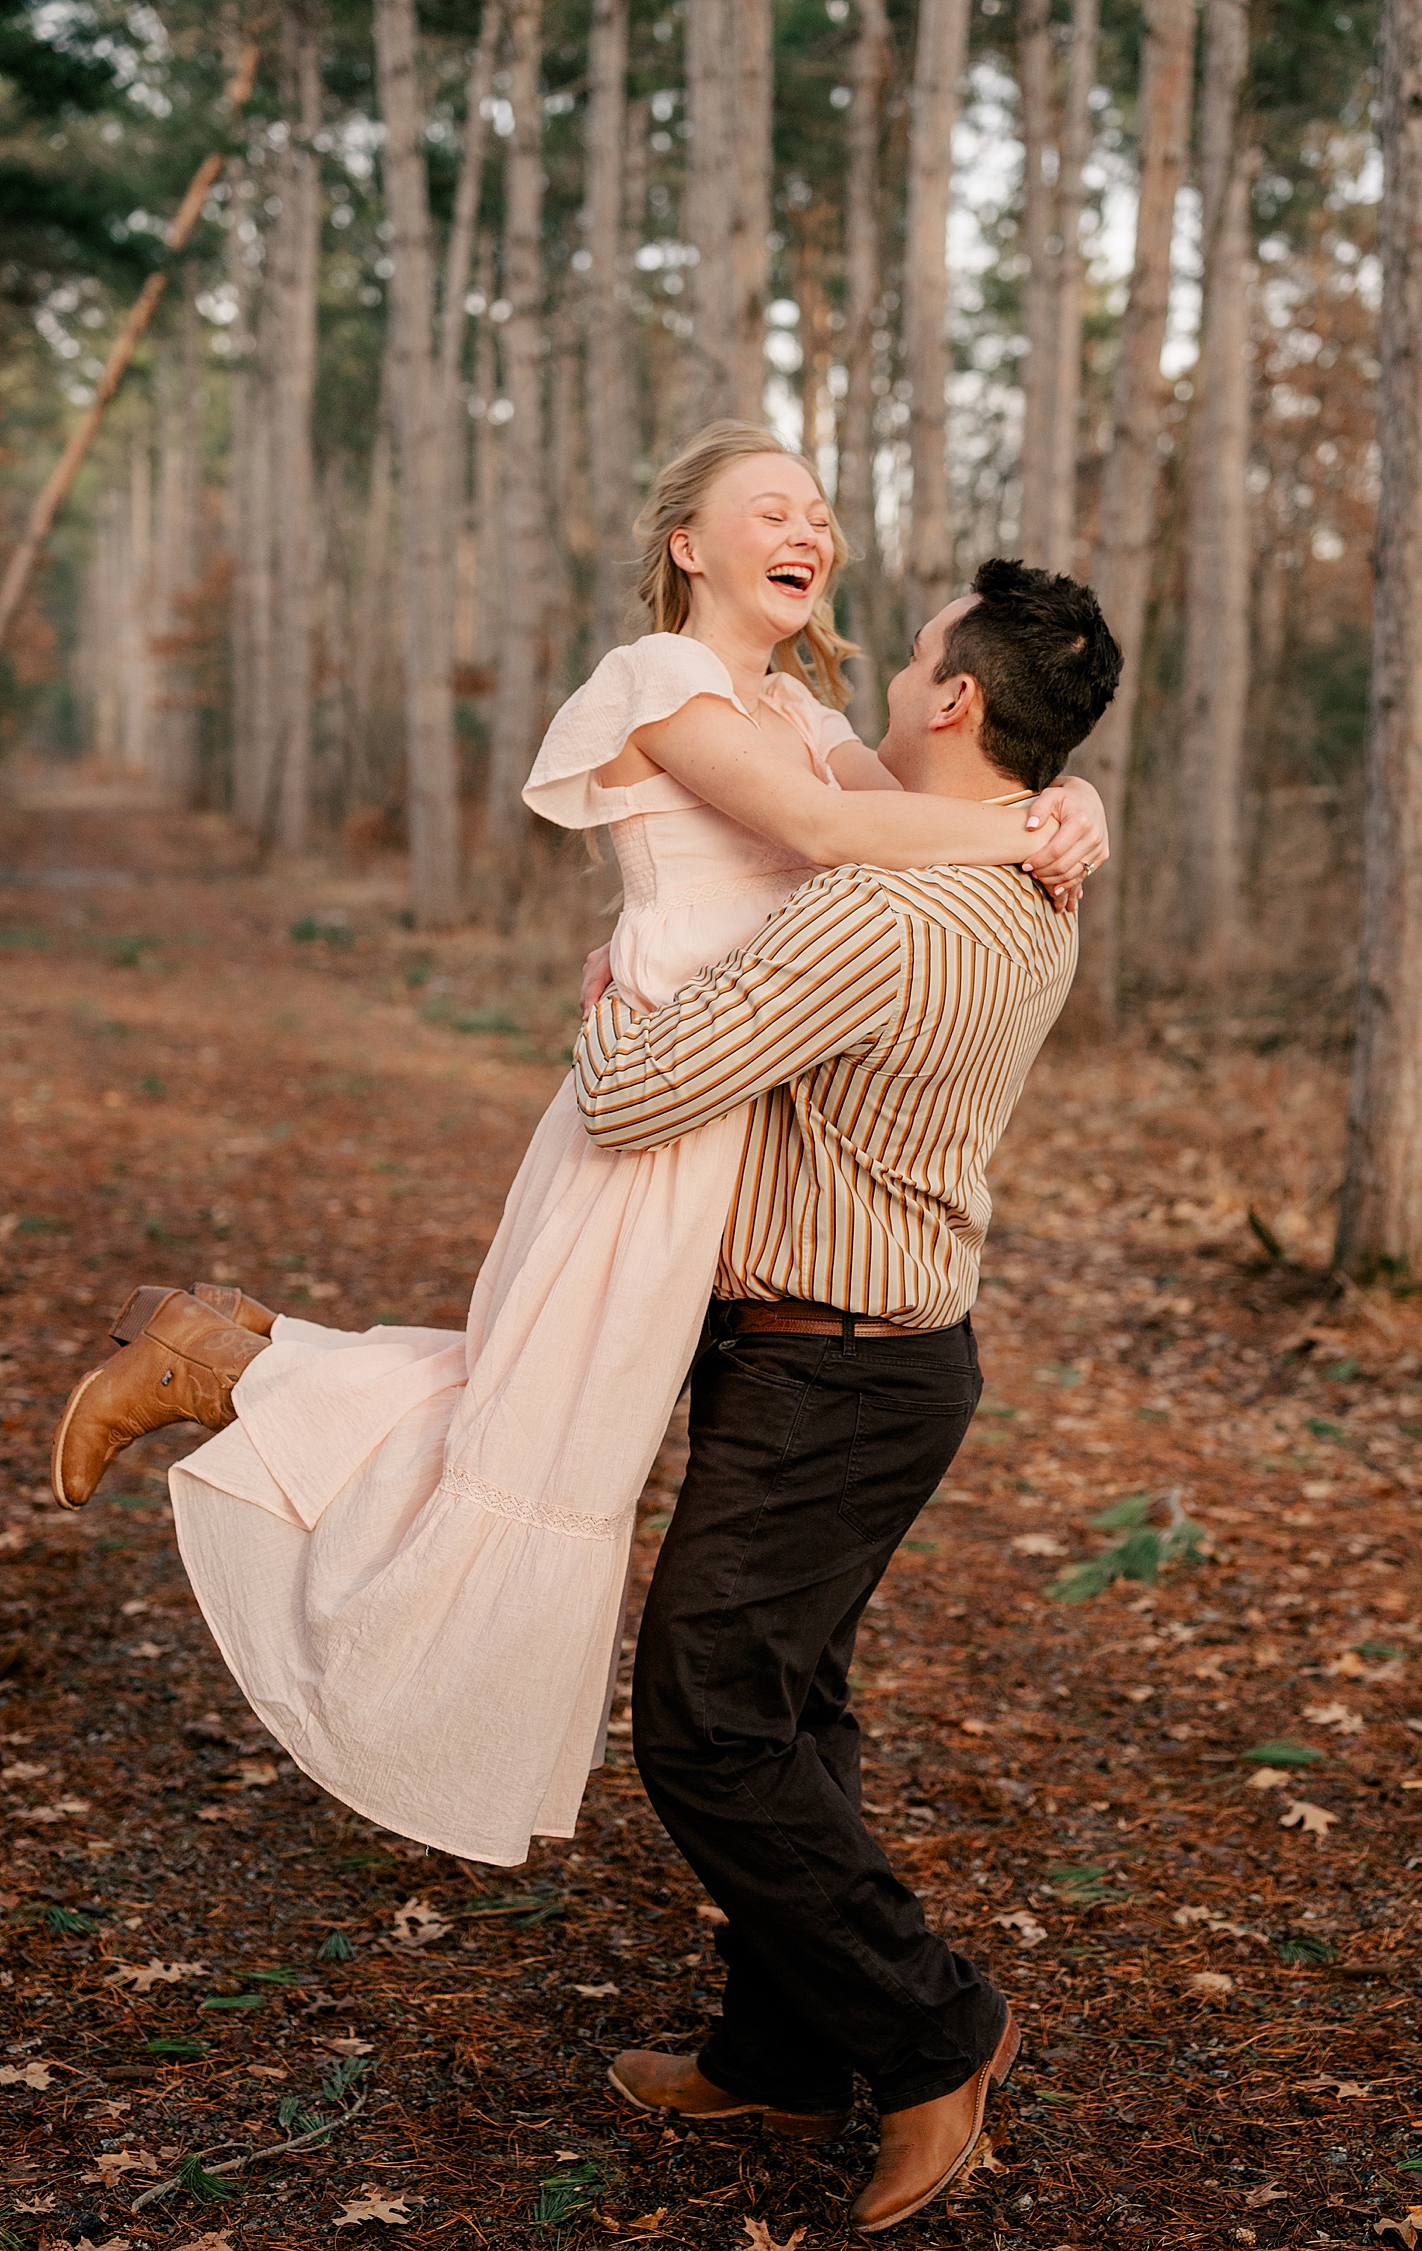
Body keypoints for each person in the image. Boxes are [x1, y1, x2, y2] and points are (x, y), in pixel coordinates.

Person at [48, 419, 1108, 1878]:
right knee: (529, 1432)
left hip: (722, 1104)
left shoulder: (798, 704)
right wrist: (1024, 837)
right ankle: (227, 1369)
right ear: (688, 546)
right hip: (653, 1103)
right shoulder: (659, 681)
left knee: (541, 1422)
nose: (812, 530)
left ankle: (234, 1356)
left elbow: (925, 797)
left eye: (821, 511)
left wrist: (1069, 800)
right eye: (772, 509)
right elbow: (823, 829)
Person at [572, 555, 1122, 2232]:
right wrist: (1073, 797)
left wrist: (612, 999)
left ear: (955, 702)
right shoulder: (1034, 866)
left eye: (924, 654)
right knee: (791, 1710)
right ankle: (785, 2049)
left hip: (836, 1367)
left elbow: (640, 1094)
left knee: (707, 1725)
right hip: (876, 1359)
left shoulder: (881, 910)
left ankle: (935, 2029)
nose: (891, 664)